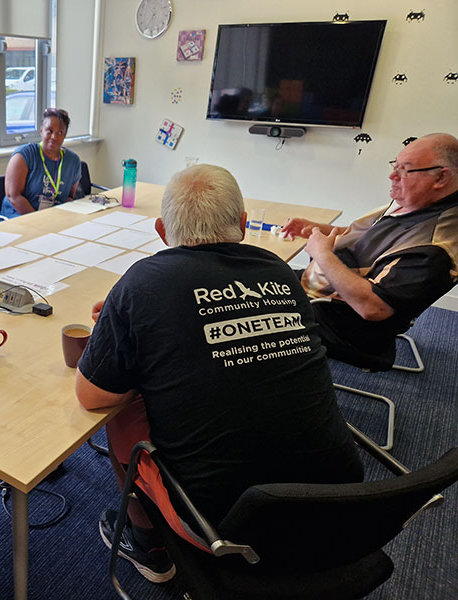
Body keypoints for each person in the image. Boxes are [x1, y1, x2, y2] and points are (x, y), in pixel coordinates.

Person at [75, 164, 364, 583]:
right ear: (243, 226)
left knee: (123, 409)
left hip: (225, 523)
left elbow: (92, 396)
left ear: (160, 231)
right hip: (341, 502)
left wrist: (128, 329)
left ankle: (149, 546)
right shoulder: (281, 273)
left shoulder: (143, 283)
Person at [281, 133, 458, 364]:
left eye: (405, 169)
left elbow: (374, 308)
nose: (392, 175)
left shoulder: (436, 248)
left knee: (243, 308)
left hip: (345, 324)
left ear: (441, 177)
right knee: (259, 274)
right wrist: (322, 228)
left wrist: (322, 254)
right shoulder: (413, 200)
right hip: (322, 288)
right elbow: (370, 237)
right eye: (396, 165)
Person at [0, 107, 82, 218]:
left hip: (53, 218)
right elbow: (13, 196)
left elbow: (69, 196)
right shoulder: (24, 155)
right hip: (19, 217)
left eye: (60, 132)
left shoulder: (73, 161)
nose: (54, 137)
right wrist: (39, 219)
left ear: (65, 135)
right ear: (41, 131)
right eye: (50, 131)